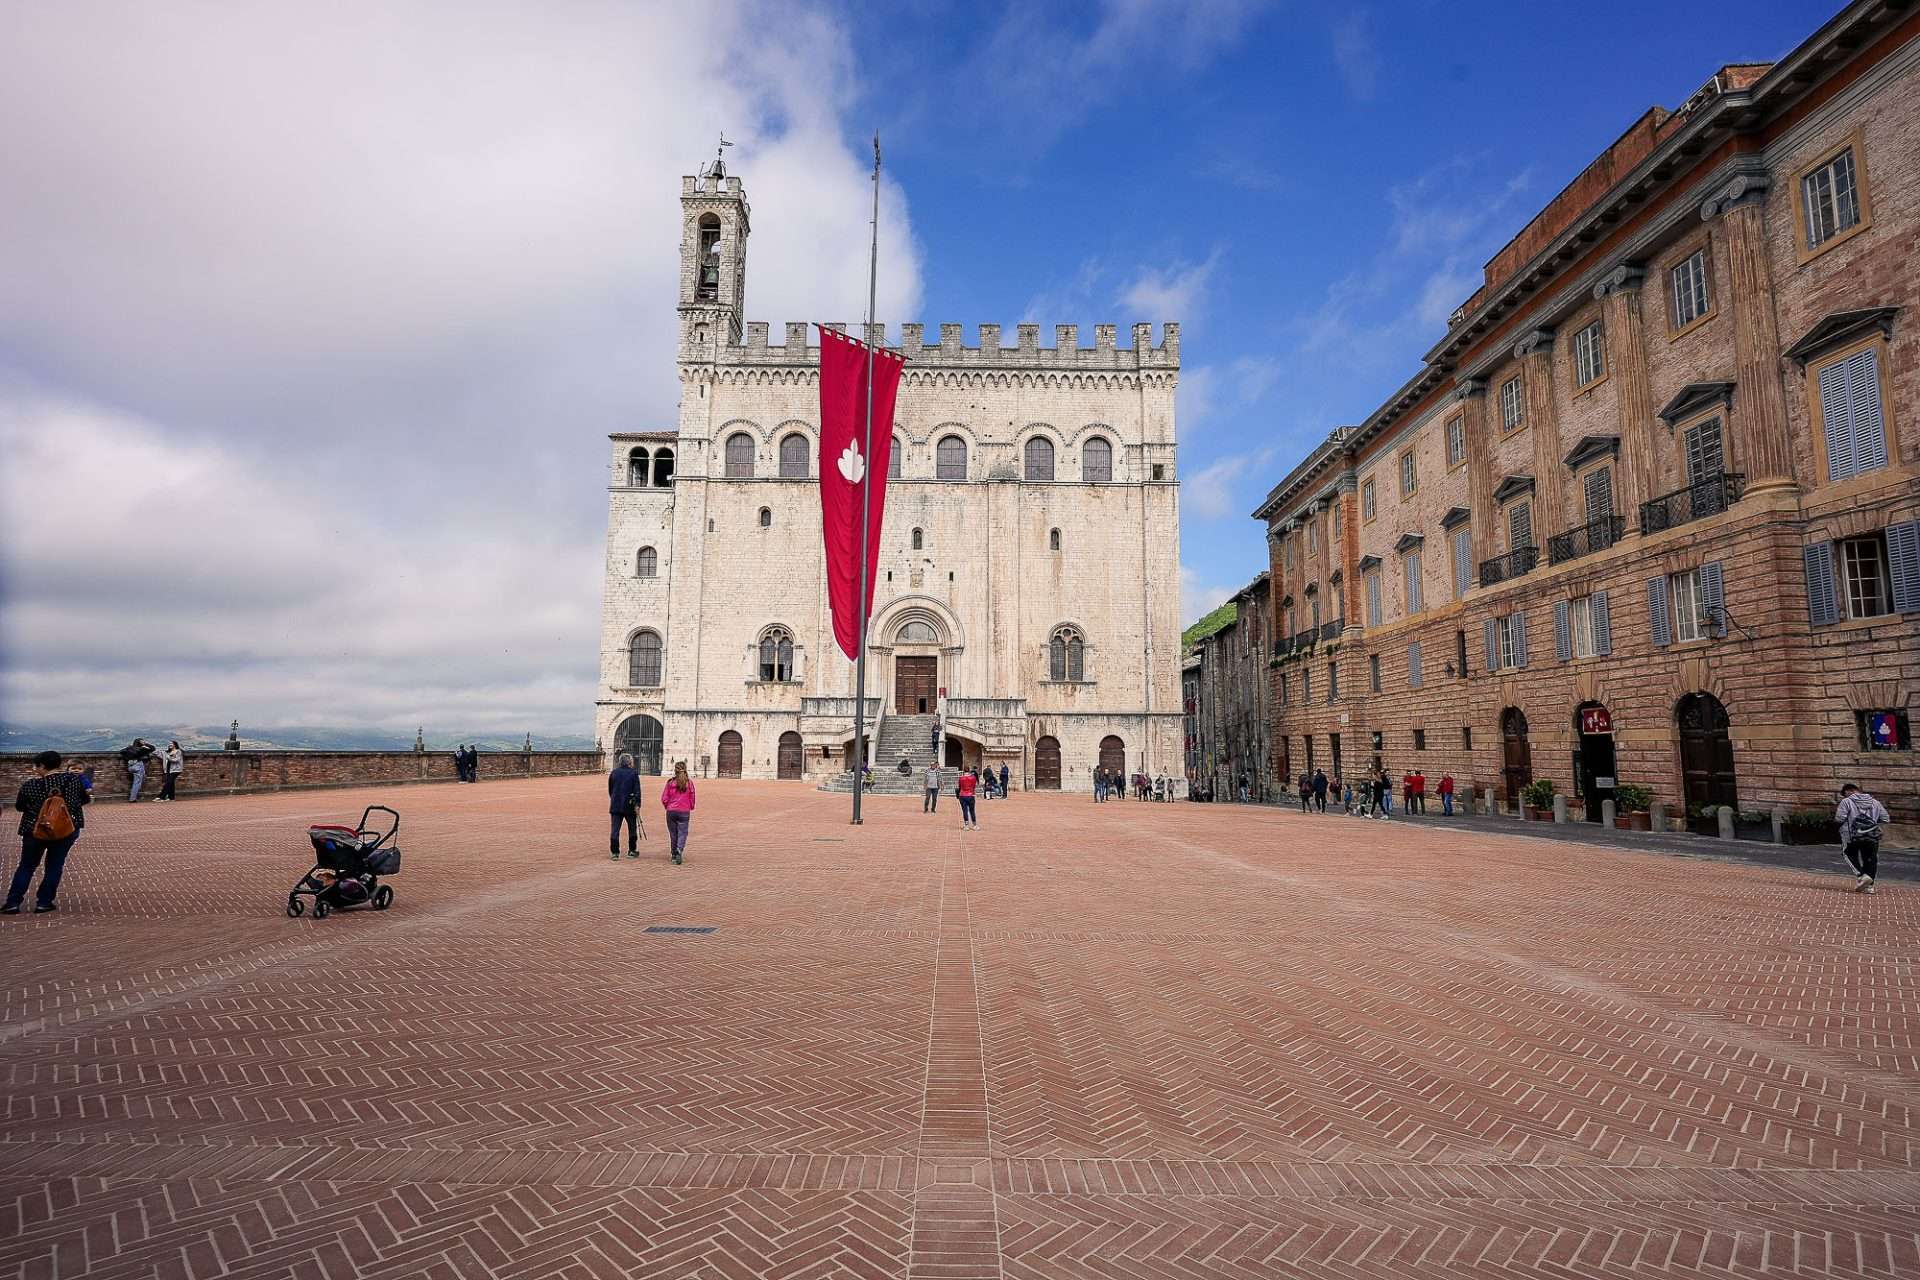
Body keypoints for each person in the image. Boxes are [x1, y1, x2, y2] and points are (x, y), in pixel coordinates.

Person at [7, 750, 90, 914]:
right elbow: (84, 799)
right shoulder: (74, 780)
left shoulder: (30, 785)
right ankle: (44, 902)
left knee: (26, 866)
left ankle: (13, 902)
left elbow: (20, 807)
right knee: (54, 865)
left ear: (42, 766)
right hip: (66, 829)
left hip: (34, 829)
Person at [1836, 783, 1889, 895]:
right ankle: (1869, 887)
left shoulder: (1846, 802)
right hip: (1871, 836)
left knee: (1848, 854)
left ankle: (1861, 876)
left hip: (1852, 836)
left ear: (1848, 791)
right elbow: (1885, 818)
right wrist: (1872, 825)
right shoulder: (1875, 802)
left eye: (1845, 794)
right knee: (1870, 858)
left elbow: (1840, 818)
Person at [607, 752, 642, 859]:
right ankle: (632, 850)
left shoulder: (614, 773)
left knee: (615, 830)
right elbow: (637, 791)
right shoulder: (633, 773)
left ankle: (615, 852)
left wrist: (614, 798)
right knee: (632, 828)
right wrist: (637, 804)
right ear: (630, 762)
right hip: (629, 805)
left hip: (616, 804)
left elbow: (610, 789)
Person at [661, 761, 696, 865]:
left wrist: (668, 806)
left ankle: (673, 855)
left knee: (673, 833)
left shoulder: (670, 783)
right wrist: (691, 806)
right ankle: (679, 849)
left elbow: (664, 798)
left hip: (671, 811)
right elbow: (692, 797)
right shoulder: (689, 783)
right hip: (684, 811)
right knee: (683, 832)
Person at [120, 738, 154, 803]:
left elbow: (121, 752)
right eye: (142, 741)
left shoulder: (130, 748)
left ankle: (133, 796)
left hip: (130, 766)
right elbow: (153, 748)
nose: (143, 742)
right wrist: (145, 744)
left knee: (138, 780)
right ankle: (132, 799)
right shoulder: (142, 749)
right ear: (139, 742)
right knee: (137, 783)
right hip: (138, 765)